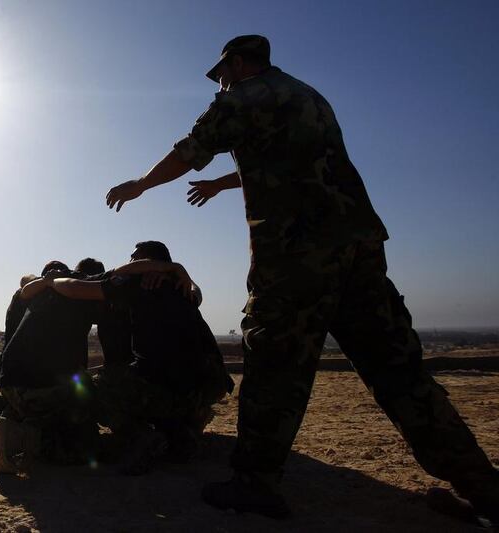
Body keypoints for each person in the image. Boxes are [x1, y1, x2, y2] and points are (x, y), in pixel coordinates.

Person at [105, 35, 498, 521]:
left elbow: (190, 150)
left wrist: (141, 184)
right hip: (359, 247)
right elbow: (285, 163)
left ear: (239, 63)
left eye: (222, 72)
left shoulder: (242, 97)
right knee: (400, 371)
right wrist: (221, 184)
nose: (220, 82)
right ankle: (485, 490)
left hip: (295, 253)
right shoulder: (311, 97)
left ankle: (255, 483)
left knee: (274, 366)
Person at [40, 243, 232, 474]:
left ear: (145, 262)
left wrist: (51, 281)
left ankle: (140, 438)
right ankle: (181, 433)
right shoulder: (183, 289)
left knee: (97, 388)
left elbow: (74, 288)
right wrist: (177, 270)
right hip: (208, 385)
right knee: (153, 384)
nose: (128, 262)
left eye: (134, 258)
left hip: (165, 388)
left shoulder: (134, 284)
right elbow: (197, 292)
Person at [0, 260, 100, 474]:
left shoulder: (27, 296)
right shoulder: (72, 300)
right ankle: (21, 437)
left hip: (6, 377)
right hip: (33, 385)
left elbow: (25, 280)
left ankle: (6, 410)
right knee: (76, 434)